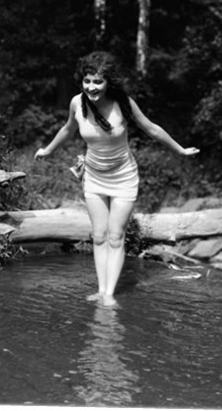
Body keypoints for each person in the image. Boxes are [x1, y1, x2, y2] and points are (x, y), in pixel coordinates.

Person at [34, 51, 199, 307]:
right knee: (98, 236)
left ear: (108, 82)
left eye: (98, 82)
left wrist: (180, 149)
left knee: (115, 236)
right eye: (87, 81)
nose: (92, 87)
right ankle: (101, 291)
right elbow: (68, 129)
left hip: (123, 177)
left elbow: (152, 128)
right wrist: (47, 150)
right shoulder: (77, 103)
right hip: (93, 177)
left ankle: (109, 294)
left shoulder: (123, 103)